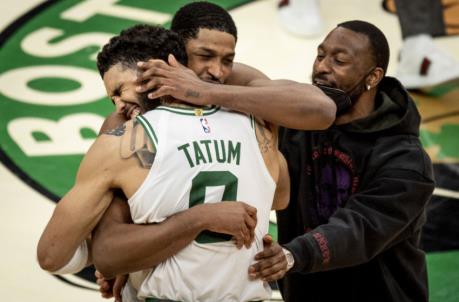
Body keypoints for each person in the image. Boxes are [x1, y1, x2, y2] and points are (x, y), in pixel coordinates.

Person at [37, 23, 290, 301]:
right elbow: (280, 197)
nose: (119, 105)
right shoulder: (257, 124)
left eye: (120, 90)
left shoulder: (122, 143)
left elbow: (53, 255)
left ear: (154, 69)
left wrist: (123, 253)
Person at [238, 20, 434, 302]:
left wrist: (294, 254)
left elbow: (360, 229)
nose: (321, 68)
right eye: (320, 55)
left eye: (339, 61)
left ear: (373, 77)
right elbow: (253, 83)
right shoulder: (301, 124)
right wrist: (198, 83)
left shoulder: (406, 161)